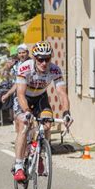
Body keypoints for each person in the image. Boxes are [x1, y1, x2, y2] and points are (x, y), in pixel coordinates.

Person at [12, 41, 73, 181]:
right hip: (24, 99)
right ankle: (19, 166)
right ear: (34, 58)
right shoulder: (24, 68)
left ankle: (39, 154)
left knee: (47, 124)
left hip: (40, 98)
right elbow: (20, 93)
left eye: (47, 59)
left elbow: (62, 94)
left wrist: (66, 113)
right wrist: (27, 111)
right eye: (40, 59)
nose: (44, 63)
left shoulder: (55, 70)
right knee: (24, 125)